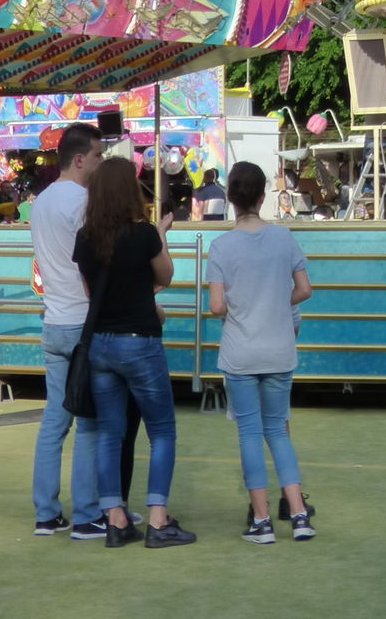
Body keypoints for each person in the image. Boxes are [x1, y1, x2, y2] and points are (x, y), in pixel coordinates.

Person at [72, 158, 192, 549]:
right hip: (140, 341)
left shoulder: (86, 237)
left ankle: (115, 518)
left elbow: (91, 292)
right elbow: (165, 276)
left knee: (110, 432)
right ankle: (158, 519)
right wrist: (161, 235)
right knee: (162, 431)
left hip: (101, 343)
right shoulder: (143, 234)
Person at [207, 162, 316, 543]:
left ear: (230, 198)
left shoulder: (221, 247)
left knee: (250, 434)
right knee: (278, 432)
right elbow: (304, 290)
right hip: (279, 349)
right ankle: (299, 514)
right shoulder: (284, 238)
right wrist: (275, 303)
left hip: (240, 352)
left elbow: (217, 306)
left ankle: (261, 520)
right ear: (262, 195)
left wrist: (243, 305)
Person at [29, 125, 105, 540]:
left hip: (54, 320)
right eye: (97, 155)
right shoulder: (84, 202)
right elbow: (96, 262)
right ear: (79, 159)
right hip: (82, 322)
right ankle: (88, 513)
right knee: (90, 423)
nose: (100, 162)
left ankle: (46, 513)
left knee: (55, 421)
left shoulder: (40, 202)